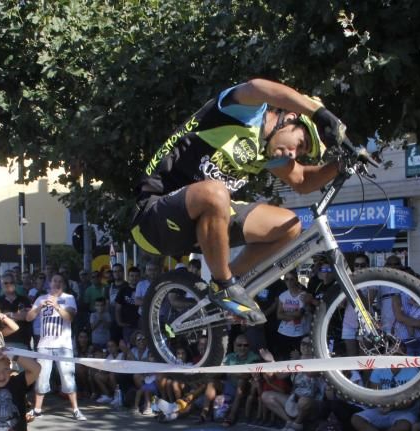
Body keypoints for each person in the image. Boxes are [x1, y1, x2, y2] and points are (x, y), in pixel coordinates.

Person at [130, 78, 346, 324]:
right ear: (290, 118)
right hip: (153, 215)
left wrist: (340, 165)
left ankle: (230, 285)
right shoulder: (245, 112)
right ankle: (224, 284)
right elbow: (257, 86)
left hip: (201, 222)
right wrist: (318, 112)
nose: (292, 154)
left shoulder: (267, 150)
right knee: (216, 192)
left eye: (301, 154)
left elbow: (303, 180)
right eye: (299, 144)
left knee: (289, 225)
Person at [26, 274, 86, 421]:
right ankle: (38, 409)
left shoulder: (69, 298)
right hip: (44, 345)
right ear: (50, 283)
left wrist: (57, 306)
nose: (57, 283)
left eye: (60, 281)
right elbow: (29, 317)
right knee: (41, 377)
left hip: (63, 345)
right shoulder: (41, 298)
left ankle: (76, 409)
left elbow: (69, 317)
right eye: (54, 281)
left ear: (63, 284)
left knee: (68, 377)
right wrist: (40, 306)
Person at [0, 275, 32, 351]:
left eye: (11, 282)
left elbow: (27, 317)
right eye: (6, 283)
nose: (8, 285)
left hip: (23, 342)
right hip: (4, 343)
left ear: (15, 284)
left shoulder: (24, 299)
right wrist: (18, 316)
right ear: (2, 285)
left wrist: (8, 315)